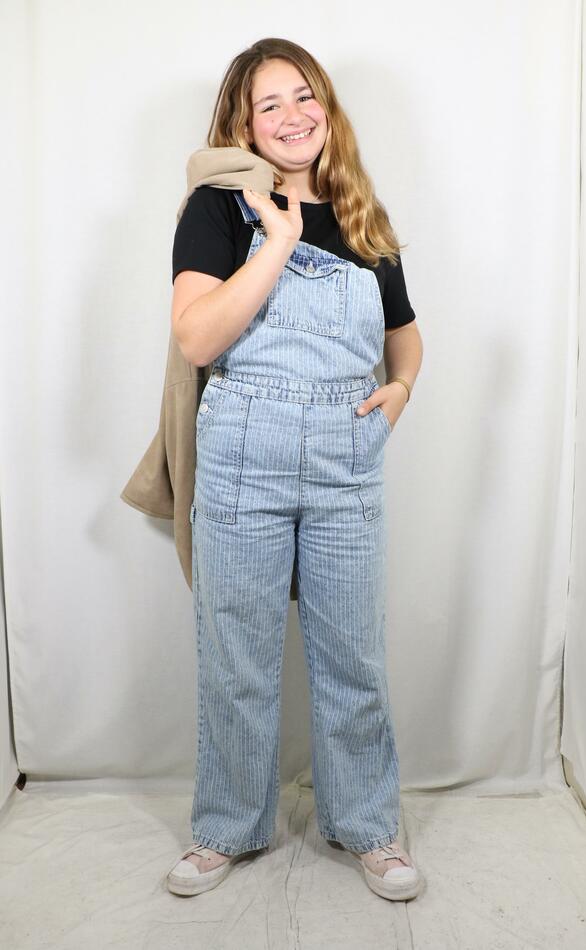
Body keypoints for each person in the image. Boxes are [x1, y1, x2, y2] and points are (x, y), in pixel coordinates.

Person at [165, 38, 424, 901]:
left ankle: (368, 826)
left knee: (353, 656)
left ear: (326, 107)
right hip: (245, 449)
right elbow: (197, 337)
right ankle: (226, 829)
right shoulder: (220, 207)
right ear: (243, 125)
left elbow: (405, 336)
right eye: (268, 103)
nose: (292, 115)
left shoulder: (360, 214)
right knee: (236, 655)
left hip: (346, 453)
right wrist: (274, 241)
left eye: (304, 95)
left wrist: (397, 392)